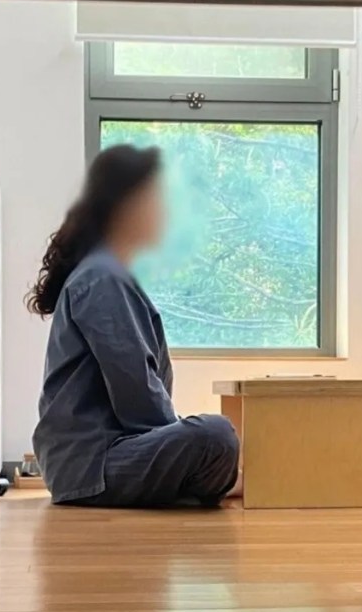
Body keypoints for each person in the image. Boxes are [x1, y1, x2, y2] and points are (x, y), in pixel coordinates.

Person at [28, 144, 240, 507]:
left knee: (211, 437)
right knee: (216, 436)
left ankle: (205, 481)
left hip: (88, 463)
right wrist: (184, 449)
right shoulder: (102, 277)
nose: (166, 212)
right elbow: (137, 392)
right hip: (93, 465)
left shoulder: (106, 273)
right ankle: (218, 481)